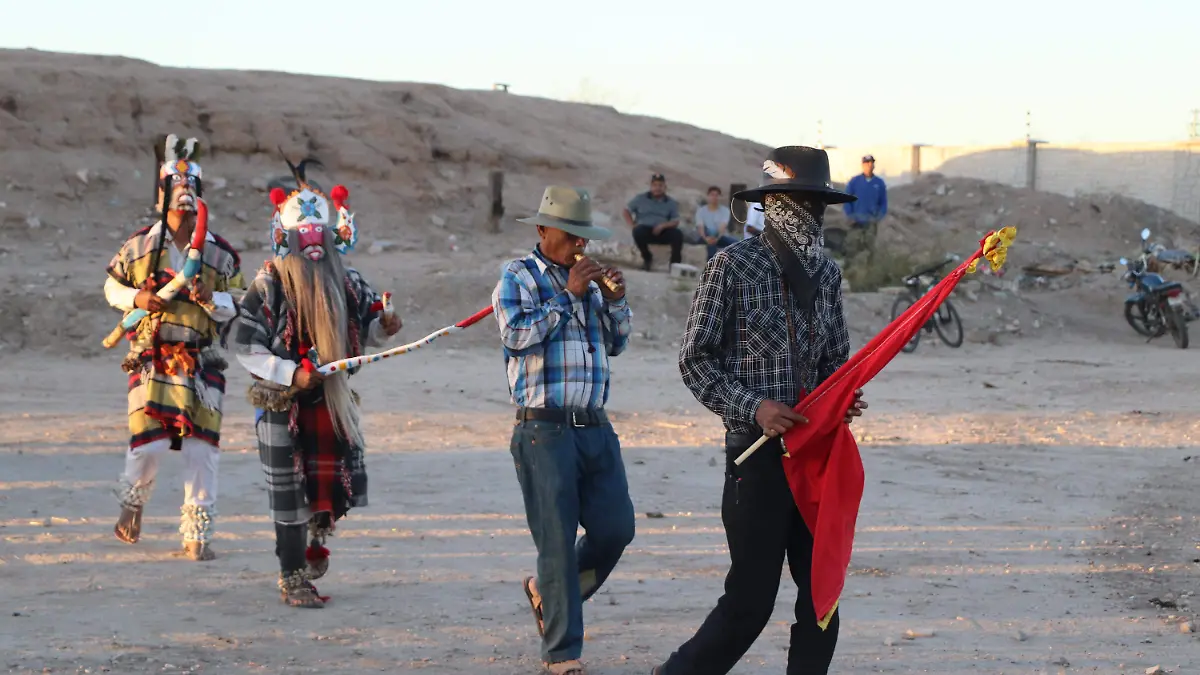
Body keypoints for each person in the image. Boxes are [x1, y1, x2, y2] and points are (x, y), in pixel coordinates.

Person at [656, 146, 868, 675]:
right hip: (757, 459)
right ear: (772, 203)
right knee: (750, 602)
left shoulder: (828, 274)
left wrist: (842, 398)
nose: (808, 215)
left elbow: (834, 363)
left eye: (817, 205)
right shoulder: (731, 267)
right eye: (797, 202)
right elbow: (694, 361)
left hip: (816, 458)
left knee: (822, 597)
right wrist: (755, 409)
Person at [229, 156, 401, 608]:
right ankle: (292, 577)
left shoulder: (347, 280)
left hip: (331, 401)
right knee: (287, 493)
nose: (313, 247)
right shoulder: (269, 283)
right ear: (286, 238)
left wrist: (386, 325)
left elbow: (368, 329)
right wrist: (291, 374)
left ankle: (313, 544)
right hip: (284, 403)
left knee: (325, 486)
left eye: (319, 237)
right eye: (304, 238)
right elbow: (247, 346)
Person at [493, 186, 636, 675]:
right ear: (542, 231)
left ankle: (546, 591)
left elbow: (616, 344)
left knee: (617, 529)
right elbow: (516, 335)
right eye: (570, 233)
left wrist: (615, 301)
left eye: (584, 235)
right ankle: (562, 655)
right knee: (554, 541)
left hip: (595, 425)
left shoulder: (591, 284)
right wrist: (567, 293)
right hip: (544, 429)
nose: (579, 244)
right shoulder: (518, 276)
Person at [106, 134, 243, 561]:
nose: (185, 195)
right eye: (176, 188)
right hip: (151, 356)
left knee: (203, 449)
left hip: (203, 360)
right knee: (148, 443)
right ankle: (132, 504)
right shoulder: (140, 245)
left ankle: (197, 532)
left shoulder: (221, 254)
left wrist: (210, 299)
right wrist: (138, 299)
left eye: (192, 190)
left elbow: (239, 304)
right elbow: (112, 285)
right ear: (161, 194)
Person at [624, 173, 681, 271]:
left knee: (678, 234)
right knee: (637, 231)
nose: (657, 188)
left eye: (660, 185)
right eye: (655, 185)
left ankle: (674, 265)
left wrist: (663, 226)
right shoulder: (641, 198)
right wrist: (632, 224)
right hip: (645, 230)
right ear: (651, 186)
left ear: (665, 187)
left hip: (662, 231)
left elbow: (675, 221)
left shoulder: (670, 202)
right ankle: (647, 258)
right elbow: (626, 210)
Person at [842, 154, 888, 258]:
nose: (870, 165)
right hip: (855, 222)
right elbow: (847, 199)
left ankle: (868, 270)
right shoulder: (854, 181)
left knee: (870, 249)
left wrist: (878, 217)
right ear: (863, 165)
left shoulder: (879, 183)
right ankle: (850, 270)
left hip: (871, 222)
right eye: (867, 163)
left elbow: (883, 203)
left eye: (872, 163)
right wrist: (850, 216)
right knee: (853, 248)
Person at [695, 186, 737, 261]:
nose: (714, 197)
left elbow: (722, 227)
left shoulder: (725, 211)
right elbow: (700, 227)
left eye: (716, 195)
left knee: (736, 243)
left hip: (719, 236)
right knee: (710, 233)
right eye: (712, 195)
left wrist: (716, 238)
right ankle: (710, 263)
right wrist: (706, 238)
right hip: (705, 236)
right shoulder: (701, 211)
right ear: (708, 196)